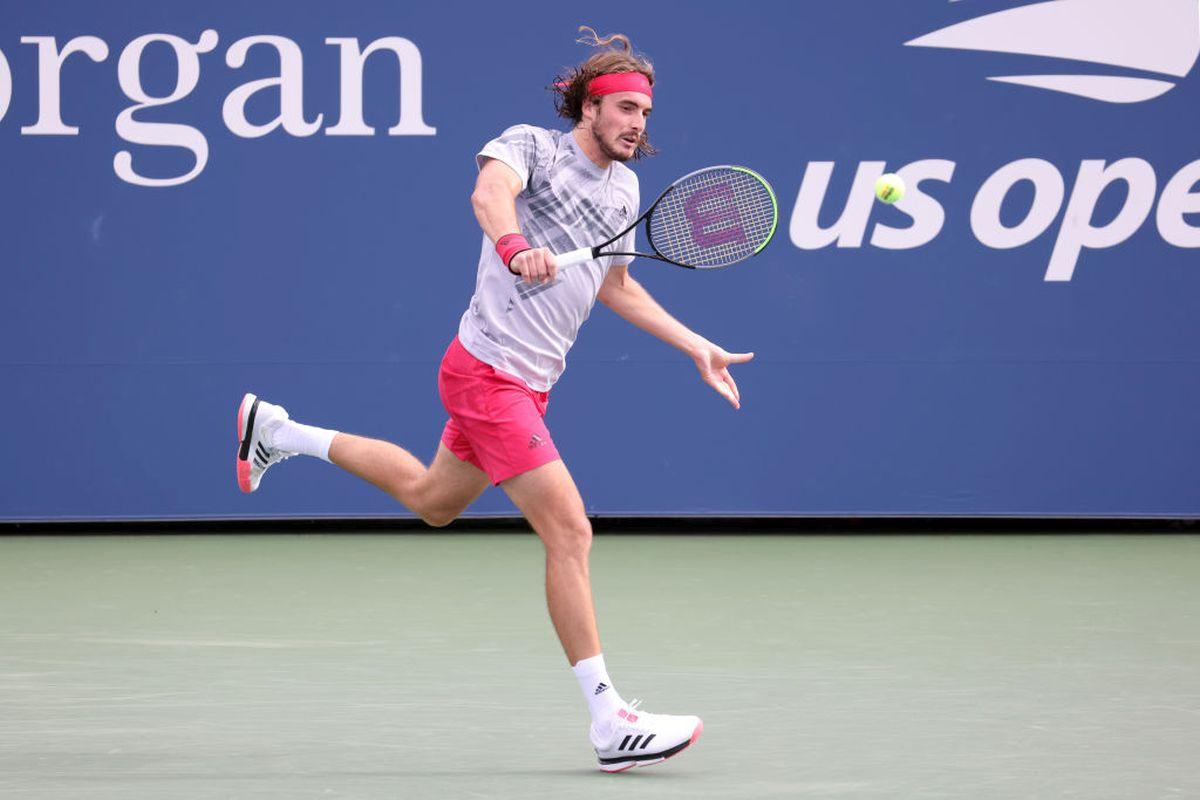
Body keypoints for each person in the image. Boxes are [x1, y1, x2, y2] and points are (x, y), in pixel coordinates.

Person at [235, 27, 752, 772]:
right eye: (626, 108)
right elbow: (489, 194)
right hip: (488, 373)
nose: (639, 123)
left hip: (530, 384)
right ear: (590, 108)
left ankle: (279, 433)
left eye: (646, 112)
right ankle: (610, 720)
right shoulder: (532, 149)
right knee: (569, 532)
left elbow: (616, 286)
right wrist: (514, 247)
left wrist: (694, 342)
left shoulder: (627, 189)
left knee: (432, 498)